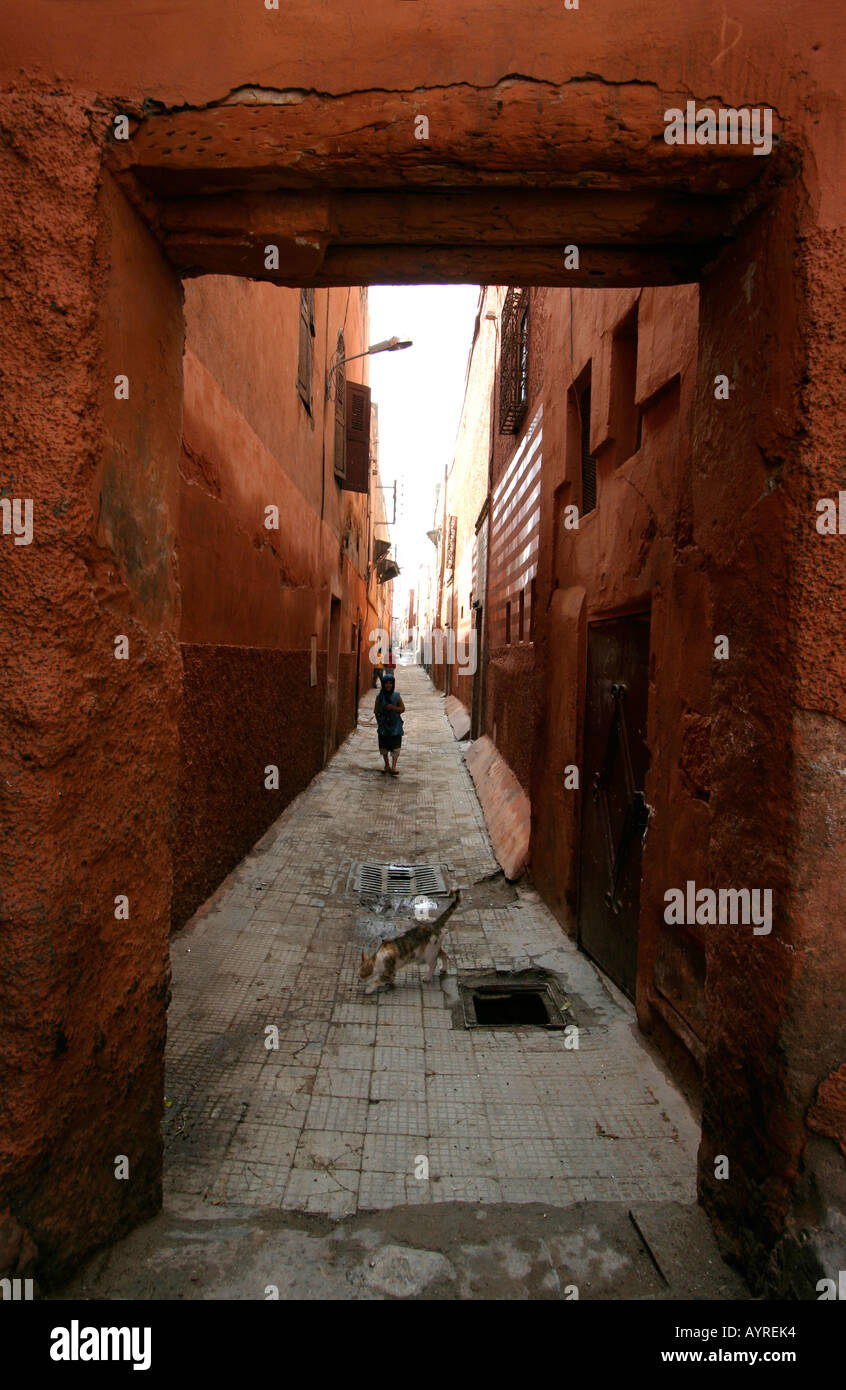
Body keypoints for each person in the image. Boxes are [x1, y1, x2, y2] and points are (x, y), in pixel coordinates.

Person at [375, 672, 405, 775]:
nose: (388, 685)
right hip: (384, 725)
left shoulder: (397, 696)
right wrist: (379, 721)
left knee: (395, 745)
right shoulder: (379, 697)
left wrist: (393, 708)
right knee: (384, 745)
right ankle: (387, 765)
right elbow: (376, 711)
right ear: (383, 684)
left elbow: (402, 709)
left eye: (390, 683)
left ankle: (394, 766)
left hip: (395, 725)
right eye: (386, 683)